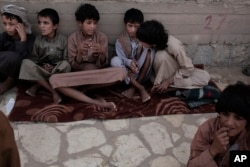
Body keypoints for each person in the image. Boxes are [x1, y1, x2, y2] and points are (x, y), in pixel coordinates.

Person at [49, 3, 127, 111]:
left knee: (122, 72)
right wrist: (80, 53)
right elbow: (74, 66)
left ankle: (86, 88)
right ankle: (96, 102)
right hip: (79, 76)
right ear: (80, 23)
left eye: (95, 23)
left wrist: (102, 53)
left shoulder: (102, 37)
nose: (92, 27)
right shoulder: (72, 38)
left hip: (98, 75)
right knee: (53, 79)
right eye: (89, 23)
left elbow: (103, 65)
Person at [136, 20, 210, 94]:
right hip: (158, 75)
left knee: (204, 77)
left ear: (153, 42)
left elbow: (188, 68)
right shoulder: (150, 46)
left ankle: (168, 87)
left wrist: (168, 81)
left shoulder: (174, 46)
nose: (141, 43)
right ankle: (165, 86)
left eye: (142, 41)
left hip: (175, 74)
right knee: (160, 56)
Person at [187, 82, 250, 167]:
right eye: (225, 114)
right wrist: (213, 150)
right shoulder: (207, 129)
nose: (229, 123)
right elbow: (191, 165)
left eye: (238, 118)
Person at [19, 8, 71, 103]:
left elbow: (66, 59)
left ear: (55, 26)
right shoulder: (38, 40)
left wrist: (54, 67)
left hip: (56, 71)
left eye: (45, 23)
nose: (41, 26)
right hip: (42, 70)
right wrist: (42, 66)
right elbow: (34, 59)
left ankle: (39, 85)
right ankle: (53, 91)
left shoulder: (64, 39)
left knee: (66, 65)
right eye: (39, 23)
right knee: (25, 63)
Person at [110, 8, 154, 103]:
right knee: (115, 60)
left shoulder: (144, 38)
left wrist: (136, 64)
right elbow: (121, 59)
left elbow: (147, 57)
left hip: (142, 72)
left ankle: (134, 87)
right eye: (130, 26)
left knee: (149, 52)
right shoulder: (120, 40)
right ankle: (140, 88)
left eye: (136, 27)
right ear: (124, 24)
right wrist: (130, 63)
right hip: (127, 75)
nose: (133, 30)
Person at [0, 4, 35, 94]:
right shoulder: (4, 37)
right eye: (5, 24)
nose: (7, 28)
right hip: (3, 72)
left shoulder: (31, 39)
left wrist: (22, 40)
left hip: (17, 75)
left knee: (15, 57)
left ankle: (9, 82)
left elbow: (25, 61)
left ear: (21, 24)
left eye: (11, 24)